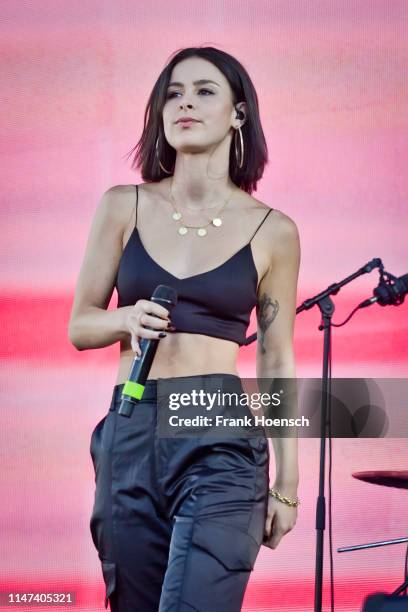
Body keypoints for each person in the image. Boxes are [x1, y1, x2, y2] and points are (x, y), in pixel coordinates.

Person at [68, 46, 301, 612]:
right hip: (132, 425)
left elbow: (276, 361)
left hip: (218, 428)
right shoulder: (123, 206)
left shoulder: (273, 230)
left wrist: (287, 487)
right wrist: (124, 318)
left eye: (203, 91)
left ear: (238, 114)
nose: (185, 104)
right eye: (173, 94)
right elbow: (80, 325)